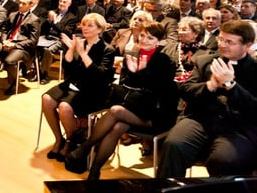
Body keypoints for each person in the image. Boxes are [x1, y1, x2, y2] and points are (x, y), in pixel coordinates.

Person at [65, 21, 178, 179]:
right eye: (143, 36)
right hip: (133, 108)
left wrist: (139, 72)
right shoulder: (133, 54)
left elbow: (157, 91)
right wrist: (131, 72)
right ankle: (94, 172)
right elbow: (126, 84)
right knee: (118, 127)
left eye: (150, 38)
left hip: (155, 114)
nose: (144, 40)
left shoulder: (165, 60)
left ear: (158, 42)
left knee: (115, 111)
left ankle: (84, 148)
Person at [158, 20, 257, 178]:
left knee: (225, 160)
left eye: (229, 42)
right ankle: (166, 189)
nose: (222, 45)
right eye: (221, 39)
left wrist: (231, 85)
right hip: (199, 119)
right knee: (174, 145)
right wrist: (210, 85)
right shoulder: (205, 61)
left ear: (247, 45)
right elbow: (186, 90)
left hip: (237, 128)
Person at [41, 14, 116, 162]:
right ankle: (59, 139)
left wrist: (82, 53)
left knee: (64, 107)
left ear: (100, 29)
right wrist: (71, 49)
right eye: (84, 25)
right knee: (47, 99)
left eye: (90, 26)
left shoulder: (107, 49)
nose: (85, 28)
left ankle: (71, 141)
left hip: (93, 89)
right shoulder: (80, 43)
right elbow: (68, 68)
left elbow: (99, 75)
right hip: (75, 83)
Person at [0, 0, 41, 95]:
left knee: (9, 60)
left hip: (22, 49)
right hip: (8, 43)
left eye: (24, 3)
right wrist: (4, 41)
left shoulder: (34, 20)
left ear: (30, 5)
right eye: (20, 2)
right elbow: (5, 30)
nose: (20, 5)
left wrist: (14, 45)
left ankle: (13, 84)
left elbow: (33, 41)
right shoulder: (13, 15)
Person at [39, 0, 78, 84]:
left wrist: (55, 21)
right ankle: (31, 69)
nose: (61, 3)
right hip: (47, 37)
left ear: (69, 4)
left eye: (64, 2)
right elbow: (43, 27)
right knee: (32, 43)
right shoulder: (52, 12)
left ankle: (43, 74)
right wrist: (48, 20)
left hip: (60, 40)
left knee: (48, 50)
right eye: (60, 1)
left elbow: (66, 32)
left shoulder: (72, 17)